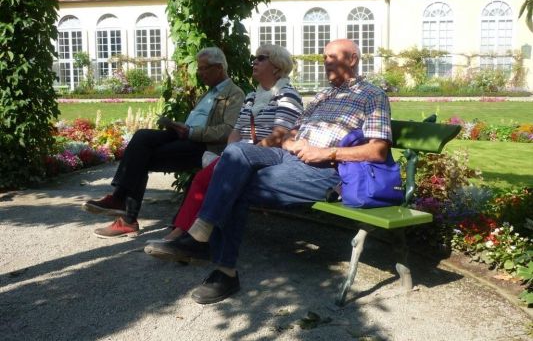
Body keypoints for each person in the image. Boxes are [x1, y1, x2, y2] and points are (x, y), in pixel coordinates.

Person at [153, 39, 393, 304]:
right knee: (234, 153)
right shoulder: (323, 96)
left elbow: (378, 150)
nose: (326, 62)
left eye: (333, 57)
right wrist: (292, 142)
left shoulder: (372, 96)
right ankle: (201, 233)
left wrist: (327, 152)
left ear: (352, 59)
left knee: (236, 184)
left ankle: (222, 268)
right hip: (288, 155)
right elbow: (291, 131)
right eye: (324, 57)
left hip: (325, 169)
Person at [144, 44, 303, 255]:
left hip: (268, 156)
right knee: (206, 176)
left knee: (204, 178)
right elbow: (235, 132)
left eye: (261, 58)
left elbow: (279, 135)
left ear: (277, 66)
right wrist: (230, 154)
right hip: (240, 155)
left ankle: (183, 238)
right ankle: (186, 237)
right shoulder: (251, 97)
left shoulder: (287, 95)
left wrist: (243, 154)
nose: (254, 62)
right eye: (254, 58)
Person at [82, 47, 245, 238]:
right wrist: (178, 127)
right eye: (198, 69)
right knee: (142, 136)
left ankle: (125, 213)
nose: (199, 73)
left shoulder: (235, 94)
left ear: (219, 68)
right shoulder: (208, 93)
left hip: (203, 145)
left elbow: (228, 130)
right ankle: (122, 207)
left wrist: (191, 131)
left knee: (140, 157)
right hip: (185, 135)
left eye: (203, 68)